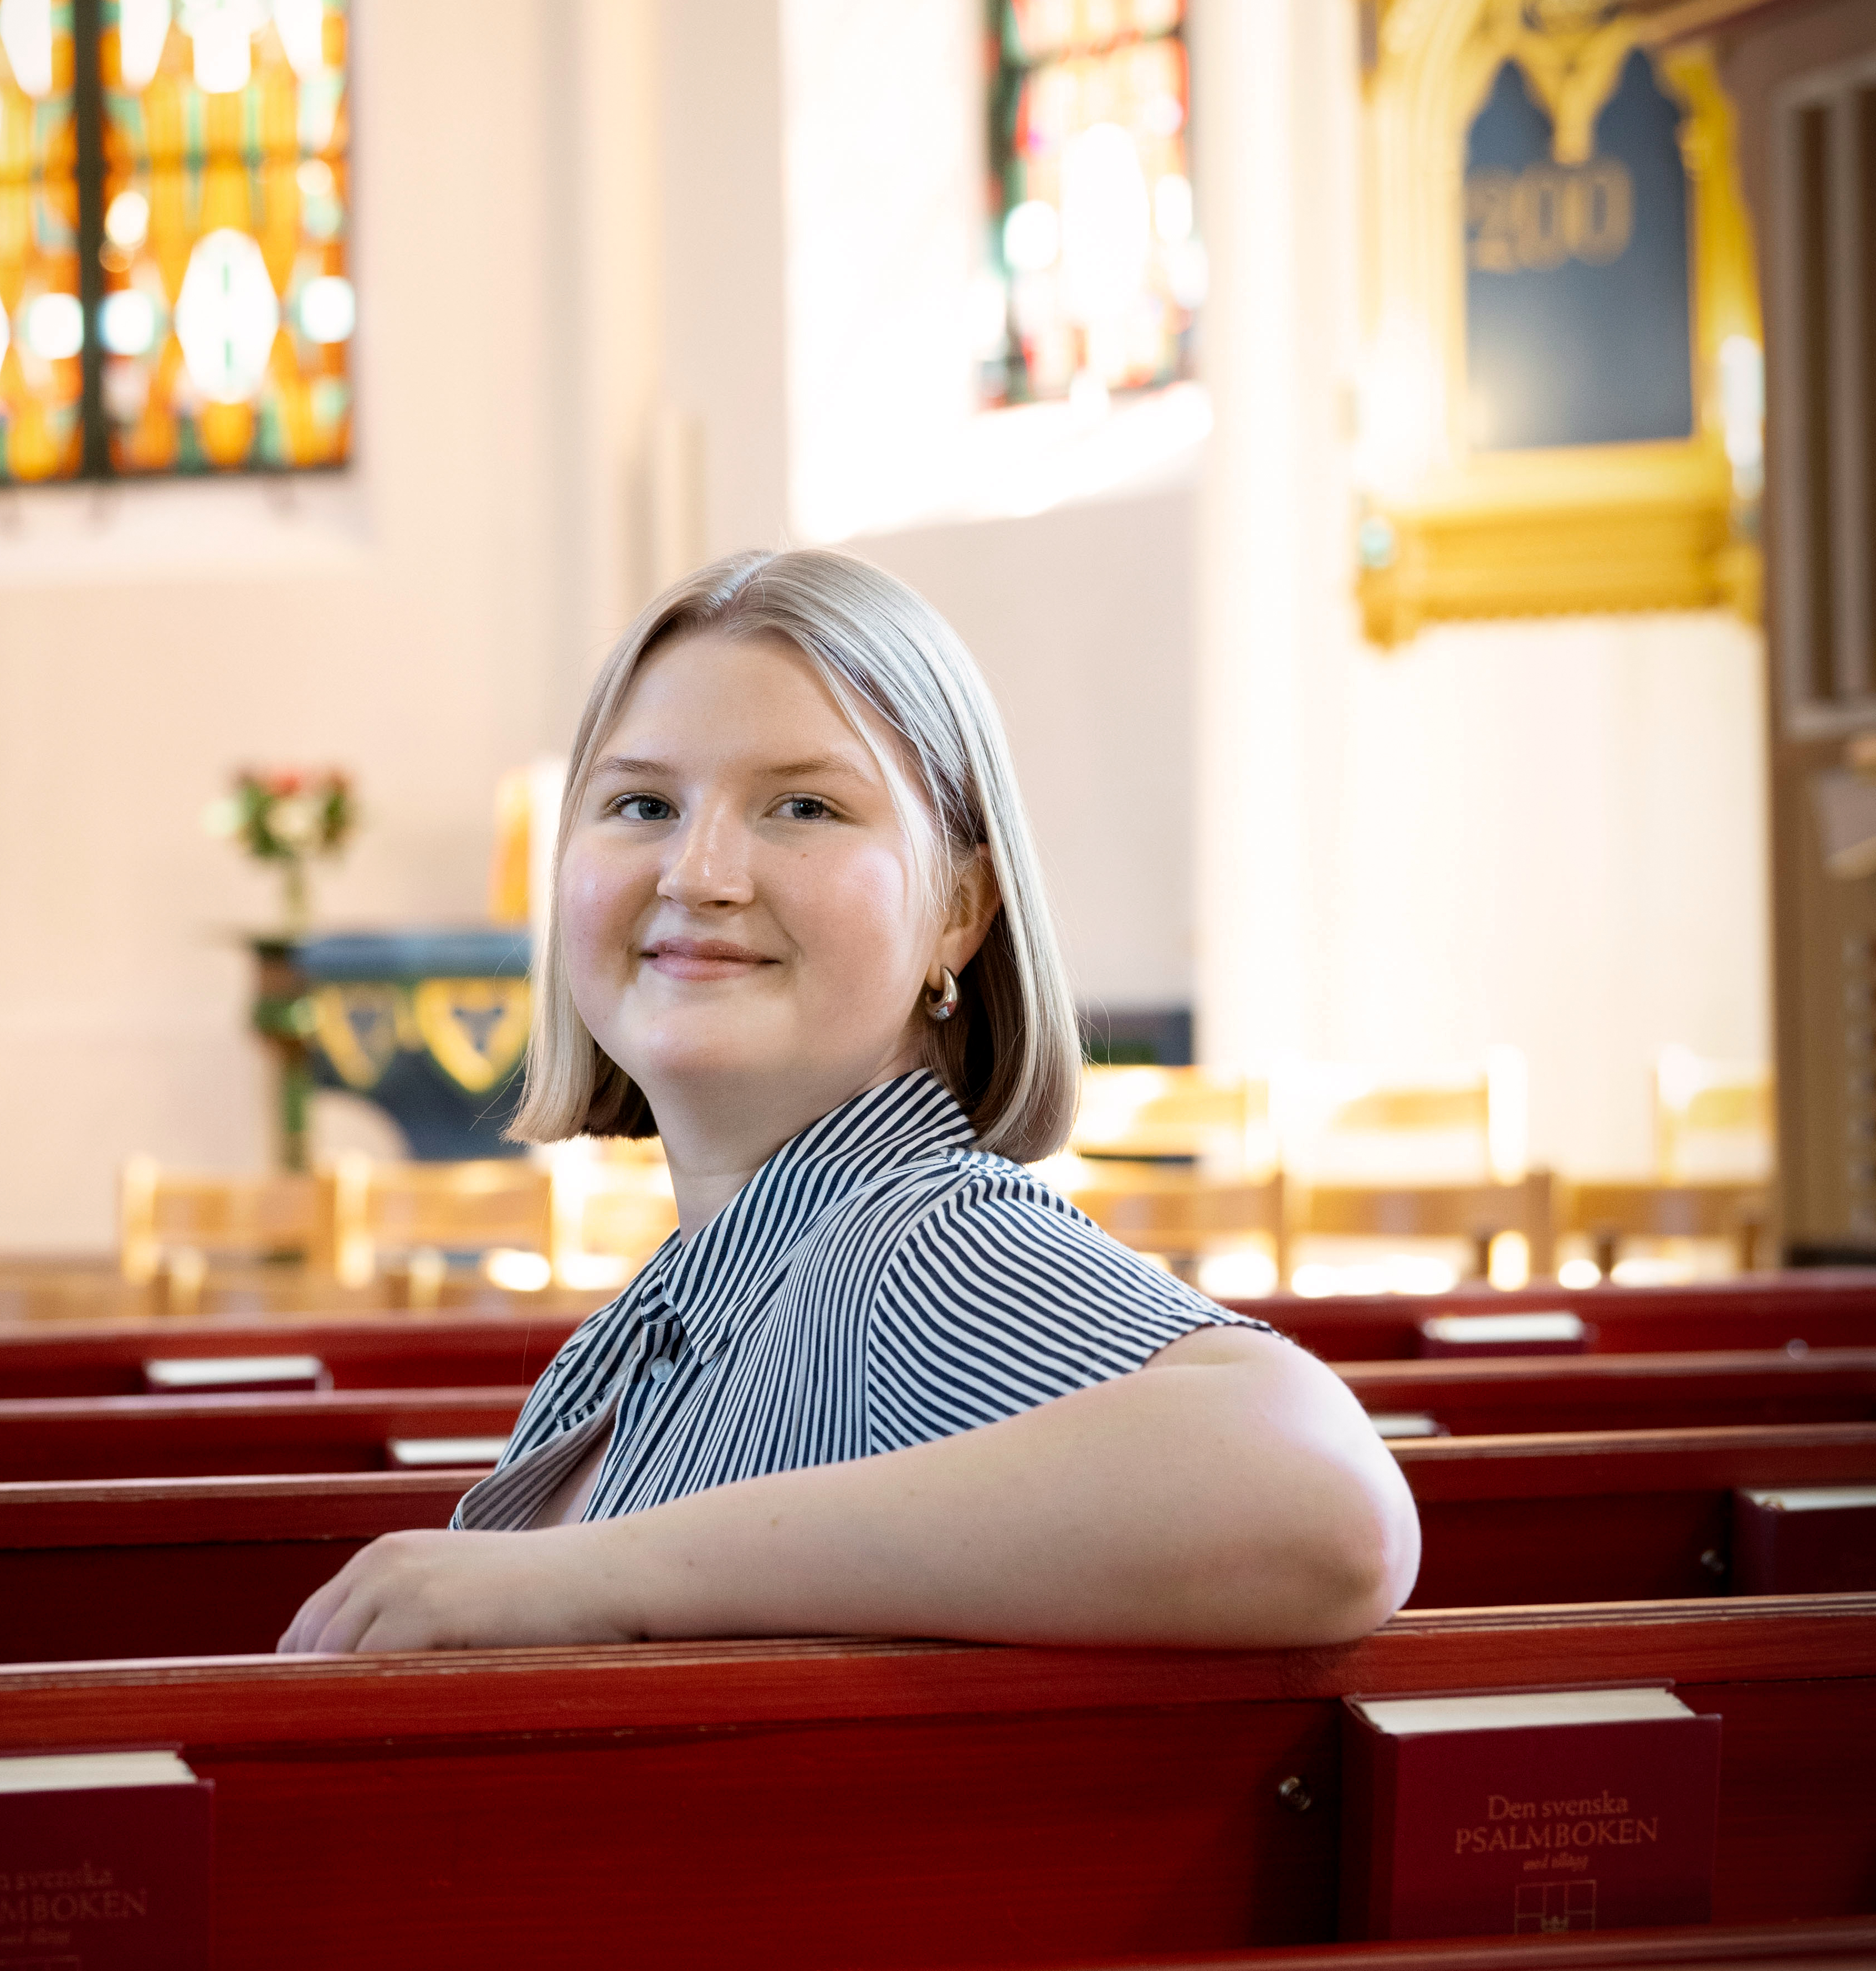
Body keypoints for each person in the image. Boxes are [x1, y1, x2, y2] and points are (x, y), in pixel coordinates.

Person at [281, 550, 1417, 1657]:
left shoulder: (915, 1246)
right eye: (640, 804)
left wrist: (606, 1576)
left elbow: (1326, 1508)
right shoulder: (676, 1309)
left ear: (958, 911)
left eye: (805, 808)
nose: (697, 873)